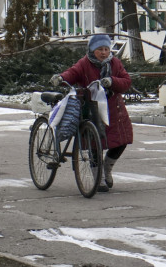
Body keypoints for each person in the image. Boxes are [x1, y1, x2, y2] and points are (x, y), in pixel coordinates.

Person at [51, 34, 132, 193]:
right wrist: (61, 78)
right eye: (99, 49)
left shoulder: (115, 63)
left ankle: (106, 168)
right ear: (92, 50)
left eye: (106, 49)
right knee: (94, 143)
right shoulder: (84, 63)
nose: (103, 52)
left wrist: (112, 81)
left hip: (114, 110)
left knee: (122, 140)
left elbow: (126, 81)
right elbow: (72, 73)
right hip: (91, 109)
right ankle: (98, 175)